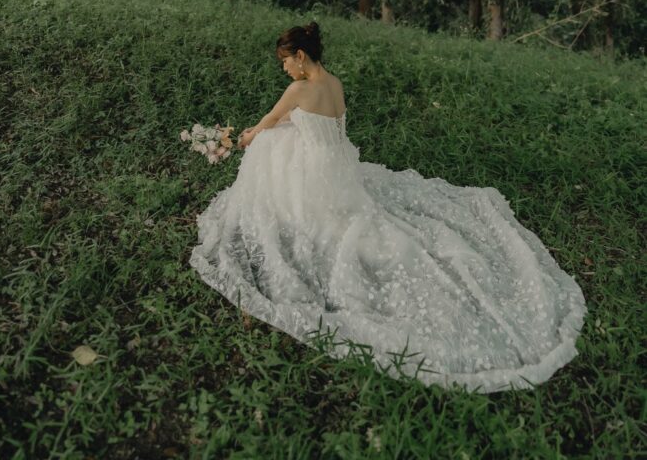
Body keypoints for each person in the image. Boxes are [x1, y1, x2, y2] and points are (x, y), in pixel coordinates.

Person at [189, 22, 587, 393]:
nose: (284, 70)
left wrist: (242, 138)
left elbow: (270, 121)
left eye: (285, 62)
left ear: (301, 56)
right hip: (339, 168)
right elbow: (331, 131)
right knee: (285, 140)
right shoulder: (335, 84)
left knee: (267, 145)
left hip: (318, 175)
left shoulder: (297, 91)